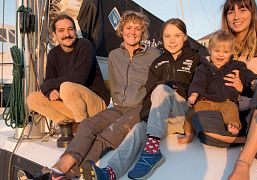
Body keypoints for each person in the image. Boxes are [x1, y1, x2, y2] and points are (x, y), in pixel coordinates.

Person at [27, 11, 160, 179]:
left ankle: (68, 174)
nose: (132, 32)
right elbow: (115, 83)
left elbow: (158, 85)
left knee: (108, 134)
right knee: (87, 126)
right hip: (118, 106)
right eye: (128, 27)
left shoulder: (153, 55)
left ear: (143, 32)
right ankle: (60, 166)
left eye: (137, 28)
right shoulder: (114, 55)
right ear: (122, 30)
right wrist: (47, 88)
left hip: (139, 107)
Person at [81, 18, 201, 180]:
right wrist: (144, 119)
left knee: (162, 88)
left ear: (185, 37)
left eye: (177, 35)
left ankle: (151, 152)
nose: (172, 41)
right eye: (167, 36)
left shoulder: (195, 59)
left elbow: (202, 86)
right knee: (138, 128)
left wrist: (192, 123)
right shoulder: (158, 63)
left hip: (184, 114)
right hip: (163, 120)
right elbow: (149, 95)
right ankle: (109, 172)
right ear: (162, 38)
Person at [191, 0, 257, 179]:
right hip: (241, 117)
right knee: (200, 119)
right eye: (231, 12)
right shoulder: (221, 49)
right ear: (226, 17)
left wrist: (245, 88)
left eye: (242, 9)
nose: (236, 16)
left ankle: (243, 163)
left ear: (252, 13)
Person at [178, 30, 257, 144]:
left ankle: (233, 125)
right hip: (207, 101)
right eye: (217, 51)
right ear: (210, 50)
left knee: (232, 109)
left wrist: (254, 80)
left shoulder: (236, 65)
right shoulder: (203, 68)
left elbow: (246, 74)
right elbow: (198, 82)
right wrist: (194, 94)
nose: (220, 55)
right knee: (192, 111)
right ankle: (188, 134)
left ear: (231, 52)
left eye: (225, 52)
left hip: (226, 101)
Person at [27, 14, 110, 124]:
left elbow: (79, 78)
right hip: (71, 103)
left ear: (75, 31)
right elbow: (49, 80)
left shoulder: (84, 45)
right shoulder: (53, 54)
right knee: (33, 99)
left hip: (97, 103)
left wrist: (48, 85)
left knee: (66, 87)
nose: (67, 34)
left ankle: (83, 130)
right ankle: (67, 126)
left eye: (70, 29)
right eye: (61, 30)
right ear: (54, 34)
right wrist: (49, 91)